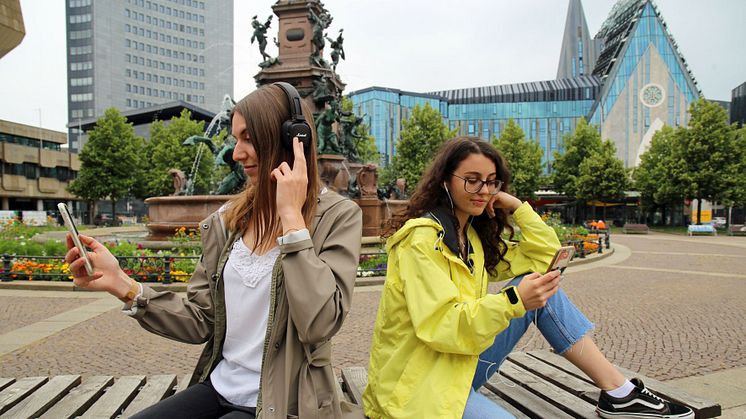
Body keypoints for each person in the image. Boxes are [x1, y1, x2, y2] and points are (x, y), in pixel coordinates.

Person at [65, 84, 364, 419]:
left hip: (285, 401)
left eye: (249, 138)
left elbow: (320, 324)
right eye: (236, 139)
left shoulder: (337, 217)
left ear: (294, 139)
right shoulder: (225, 222)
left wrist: (293, 220)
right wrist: (123, 284)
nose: (236, 153)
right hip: (219, 387)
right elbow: (202, 320)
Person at [362, 137, 693, 419]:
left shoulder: (471, 238)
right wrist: (514, 301)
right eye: (472, 179)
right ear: (445, 181)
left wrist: (518, 207)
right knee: (524, 291)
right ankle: (620, 394)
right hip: (416, 384)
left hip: (455, 364)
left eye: (492, 181)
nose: (483, 190)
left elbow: (544, 256)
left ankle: (620, 393)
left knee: (539, 286)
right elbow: (441, 327)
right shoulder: (422, 241)